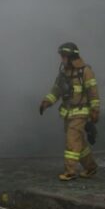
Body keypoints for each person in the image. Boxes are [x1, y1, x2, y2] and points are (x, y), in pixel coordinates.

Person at [39, 42, 100, 181]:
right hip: (68, 112)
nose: (61, 59)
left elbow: (93, 92)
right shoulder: (63, 73)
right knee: (80, 143)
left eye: (63, 56)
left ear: (71, 56)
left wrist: (95, 110)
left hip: (80, 112)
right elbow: (56, 90)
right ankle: (90, 167)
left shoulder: (85, 71)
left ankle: (70, 171)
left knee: (71, 140)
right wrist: (46, 102)